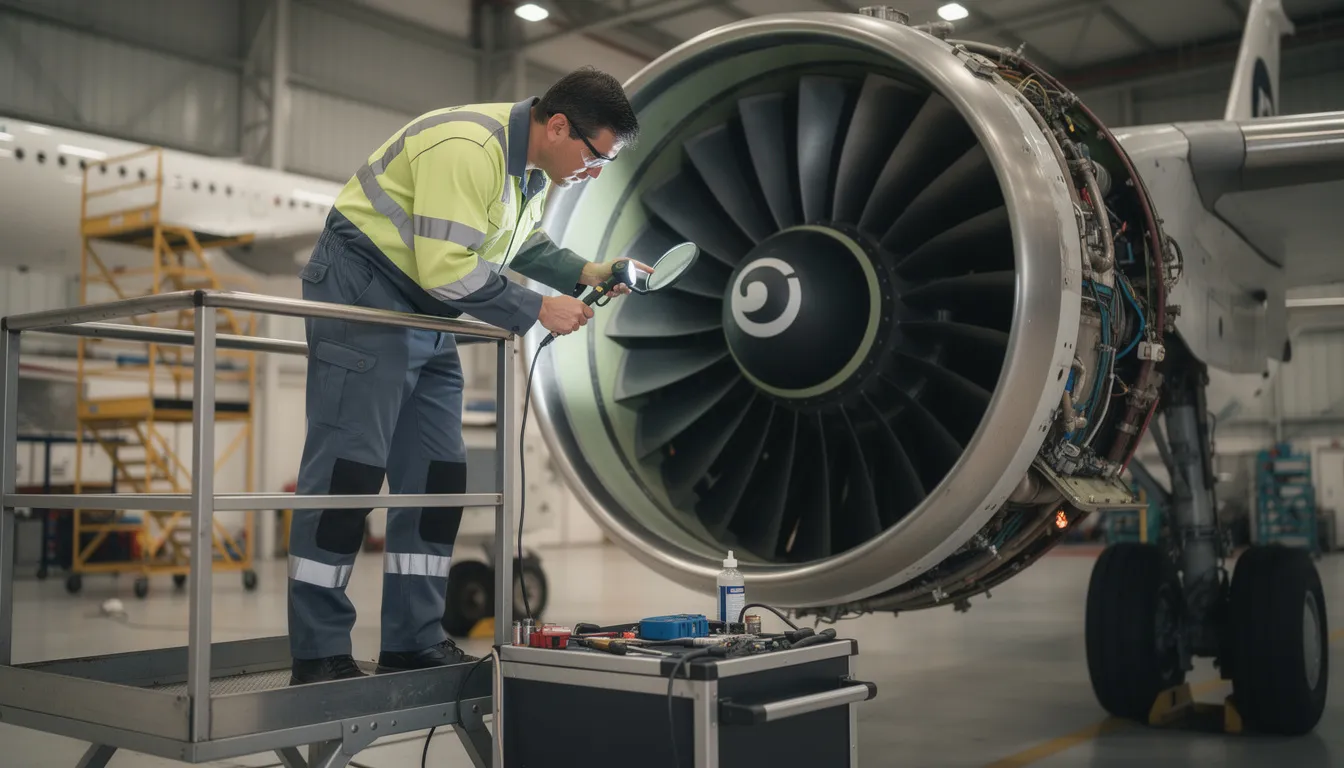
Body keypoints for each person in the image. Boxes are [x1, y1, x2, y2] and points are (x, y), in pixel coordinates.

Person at [286, 67, 642, 684]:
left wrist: (589, 270)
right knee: (349, 473)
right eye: (593, 157)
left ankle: (412, 641)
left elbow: (519, 247)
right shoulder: (468, 150)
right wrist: (537, 309)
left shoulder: (529, 172)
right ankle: (319, 652)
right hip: (366, 296)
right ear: (558, 126)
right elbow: (447, 267)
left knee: (438, 478)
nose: (594, 172)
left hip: (427, 316)